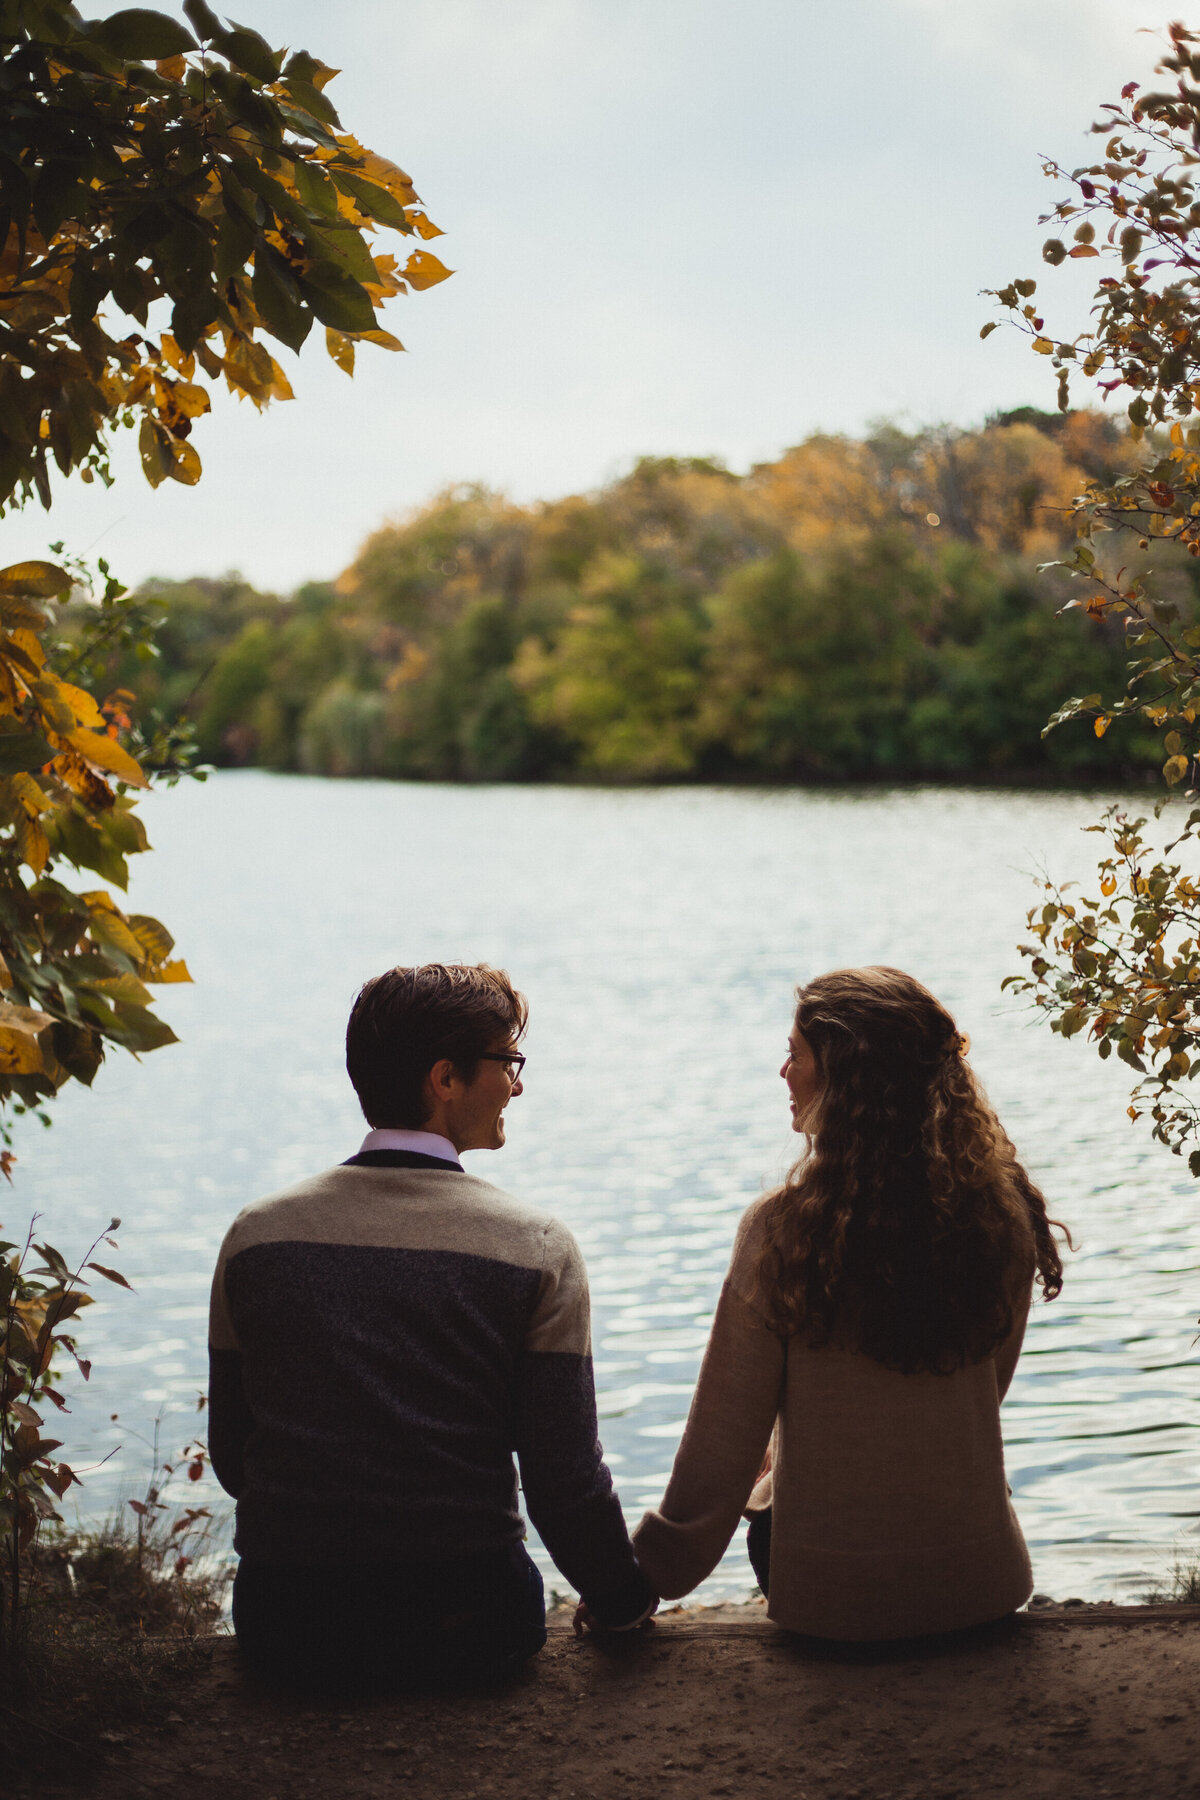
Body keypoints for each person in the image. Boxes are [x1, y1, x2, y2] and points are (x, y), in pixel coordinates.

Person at [208, 962, 654, 1690]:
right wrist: (622, 1602)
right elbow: (562, 1478)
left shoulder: (256, 1236)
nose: (518, 1083)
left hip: (286, 1627)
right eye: (508, 1061)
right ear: (445, 1079)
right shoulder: (534, 1245)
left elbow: (235, 1458)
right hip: (472, 1627)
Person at [627, 966, 1065, 1643]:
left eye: (796, 1055)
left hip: (834, 1606)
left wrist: (641, 1578)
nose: (782, 1072)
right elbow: (982, 1392)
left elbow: (721, 1448)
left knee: (767, 1482)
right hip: (982, 1587)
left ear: (847, 1081)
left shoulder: (781, 1229)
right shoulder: (999, 1216)